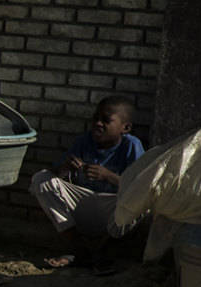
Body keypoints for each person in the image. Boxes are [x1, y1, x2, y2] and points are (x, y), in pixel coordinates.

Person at [30, 95, 144, 273]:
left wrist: (108, 176)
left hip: (112, 208)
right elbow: (57, 174)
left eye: (106, 121)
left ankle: (104, 253)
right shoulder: (85, 140)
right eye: (96, 119)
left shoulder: (131, 145)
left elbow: (141, 187)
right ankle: (79, 249)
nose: (98, 124)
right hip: (83, 203)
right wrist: (66, 168)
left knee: (143, 201)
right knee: (41, 180)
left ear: (125, 127)